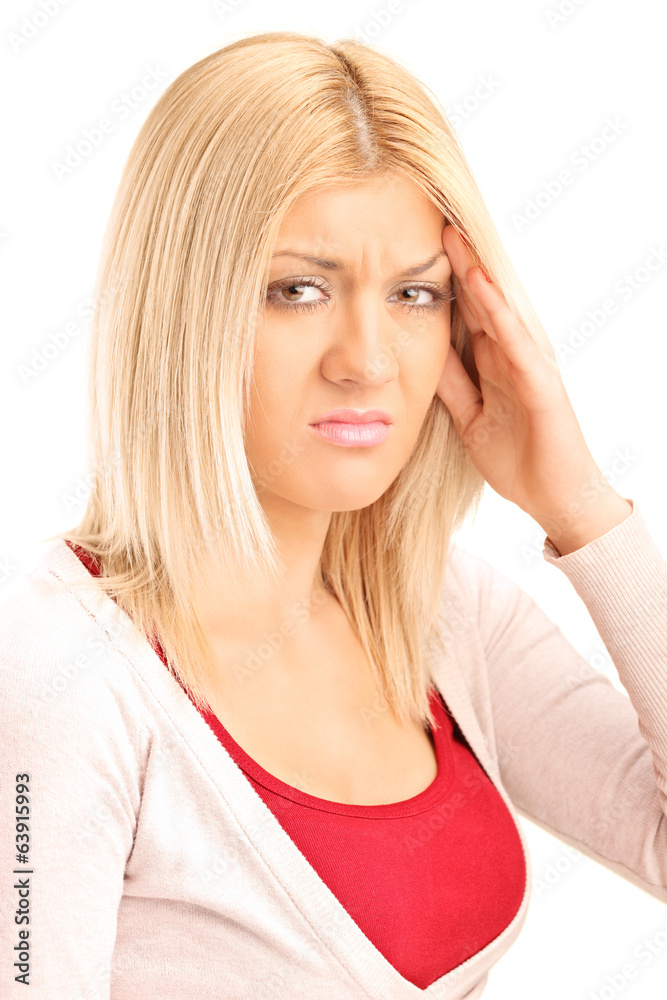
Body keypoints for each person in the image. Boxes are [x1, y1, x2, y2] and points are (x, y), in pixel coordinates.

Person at [1, 29, 666, 1000]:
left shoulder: (441, 610)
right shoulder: (59, 673)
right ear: (186, 309)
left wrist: (583, 510)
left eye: (413, 293)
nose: (366, 359)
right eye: (297, 290)